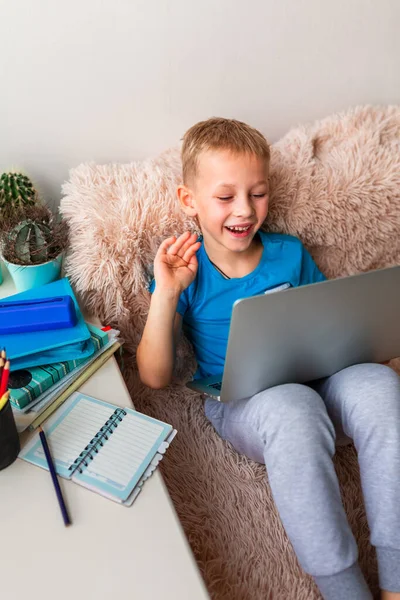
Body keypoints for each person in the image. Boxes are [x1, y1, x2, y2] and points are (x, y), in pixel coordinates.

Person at [136, 117, 400, 600]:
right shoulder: (185, 273)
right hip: (246, 403)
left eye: (257, 193)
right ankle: (345, 589)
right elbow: (155, 376)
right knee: (292, 409)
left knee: (379, 387)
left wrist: (373, 351)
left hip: (320, 379)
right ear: (188, 201)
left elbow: (333, 323)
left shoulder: (288, 252)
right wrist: (167, 293)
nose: (245, 209)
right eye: (225, 196)